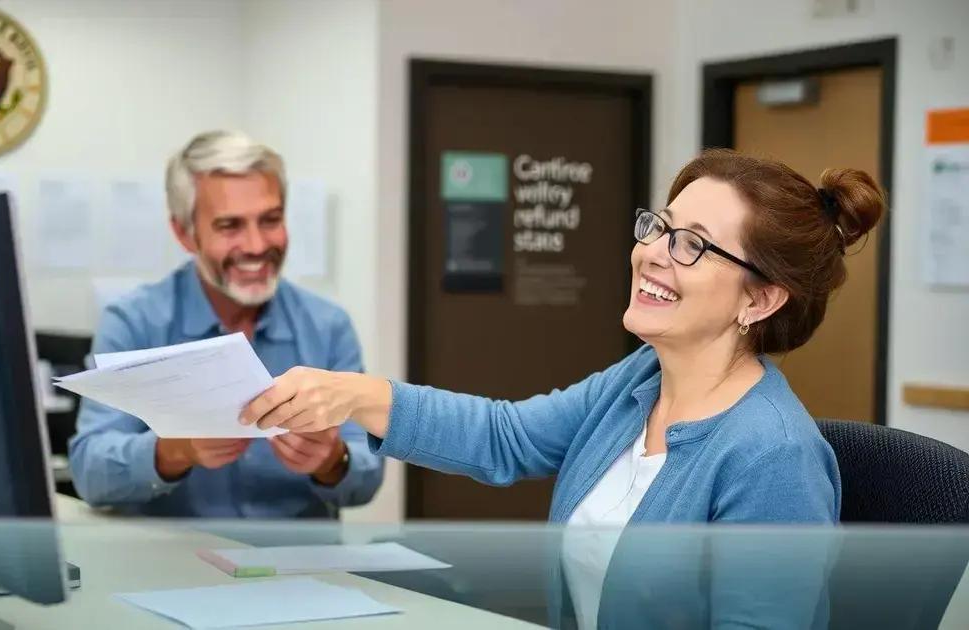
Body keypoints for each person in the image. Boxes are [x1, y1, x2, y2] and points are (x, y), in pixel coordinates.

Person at [239, 149, 886, 626]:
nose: (653, 252)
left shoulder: (773, 455)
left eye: (692, 245)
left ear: (762, 297)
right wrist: (353, 395)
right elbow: (505, 436)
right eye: (658, 227)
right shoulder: (638, 382)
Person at [68, 130, 383, 518]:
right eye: (229, 226)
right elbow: (89, 473)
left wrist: (332, 460)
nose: (254, 245)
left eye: (270, 220)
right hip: (177, 569)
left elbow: (368, 479)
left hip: (301, 571)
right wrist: (174, 451)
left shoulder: (328, 327)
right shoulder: (134, 322)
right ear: (185, 233)